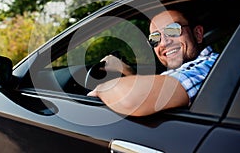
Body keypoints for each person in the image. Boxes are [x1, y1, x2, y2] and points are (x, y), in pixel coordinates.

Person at [87, 10, 219, 116]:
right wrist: (127, 71)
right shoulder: (192, 70)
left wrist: (100, 89)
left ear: (198, 34)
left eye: (172, 30)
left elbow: (131, 99)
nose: (164, 42)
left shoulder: (210, 66)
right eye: (155, 38)